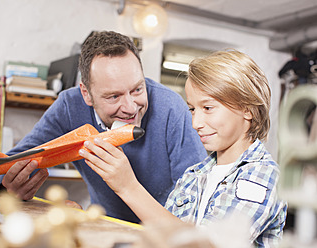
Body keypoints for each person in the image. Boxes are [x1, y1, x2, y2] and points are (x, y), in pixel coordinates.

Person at [0, 31, 207, 223]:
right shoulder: (69, 106)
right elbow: (5, 165)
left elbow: (198, 198)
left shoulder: (171, 108)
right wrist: (8, 187)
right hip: (104, 226)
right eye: (113, 96)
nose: (130, 108)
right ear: (86, 94)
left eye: (138, 89)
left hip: (165, 233)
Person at [80, 50, 287, 246]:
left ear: (247, 110)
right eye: (192, 109)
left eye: (207, 108)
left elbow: (207, 246)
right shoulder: (194, 175)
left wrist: (128, 187)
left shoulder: (263, 176)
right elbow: (166, 240)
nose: (196, 122)